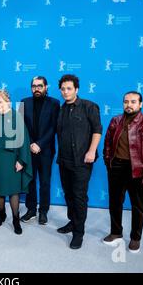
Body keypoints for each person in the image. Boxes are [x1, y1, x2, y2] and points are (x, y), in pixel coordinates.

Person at [102, 91, 143, 253]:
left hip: (138, 169)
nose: (129, 105)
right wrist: (110, 164)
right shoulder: (115, 121)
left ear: (140, 104)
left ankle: (136, 238)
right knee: (114, 202)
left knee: (137, 205)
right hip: (116, 168)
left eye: (133, 102)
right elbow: (107, 145)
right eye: (126, 102)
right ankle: (116, 232)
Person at [56, 74, 102, 249]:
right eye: (63, 89)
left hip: (82, 161)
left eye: (69, 88)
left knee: (79, 196)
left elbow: (97, 130)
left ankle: (78, 233)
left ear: (76, 89)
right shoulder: (61, 110)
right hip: (64, 160)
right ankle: (72, 222)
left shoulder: (89, 107)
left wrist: (91, 151)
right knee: (68, 194)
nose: (66, 92)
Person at [0, 89, 32, 235]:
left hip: (12, 159)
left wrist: (21, 160)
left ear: (7, 101)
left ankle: (15, 219)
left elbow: (24, 140)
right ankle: (1, 214)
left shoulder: (16, 116)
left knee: (13, 190)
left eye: (0, 101)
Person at [20, 76, 60, 225]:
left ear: (46, 87)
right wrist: (31, 144)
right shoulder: (24, 102)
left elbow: (54, 127)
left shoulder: (54, 103)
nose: (37, 88)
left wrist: (40, 144)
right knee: (30, 180)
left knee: (45, 182)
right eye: (34, 86)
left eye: (40, 86)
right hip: (28, 149)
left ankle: (43, 211)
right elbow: (20, 126)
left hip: (46, 150)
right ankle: (31, 210)